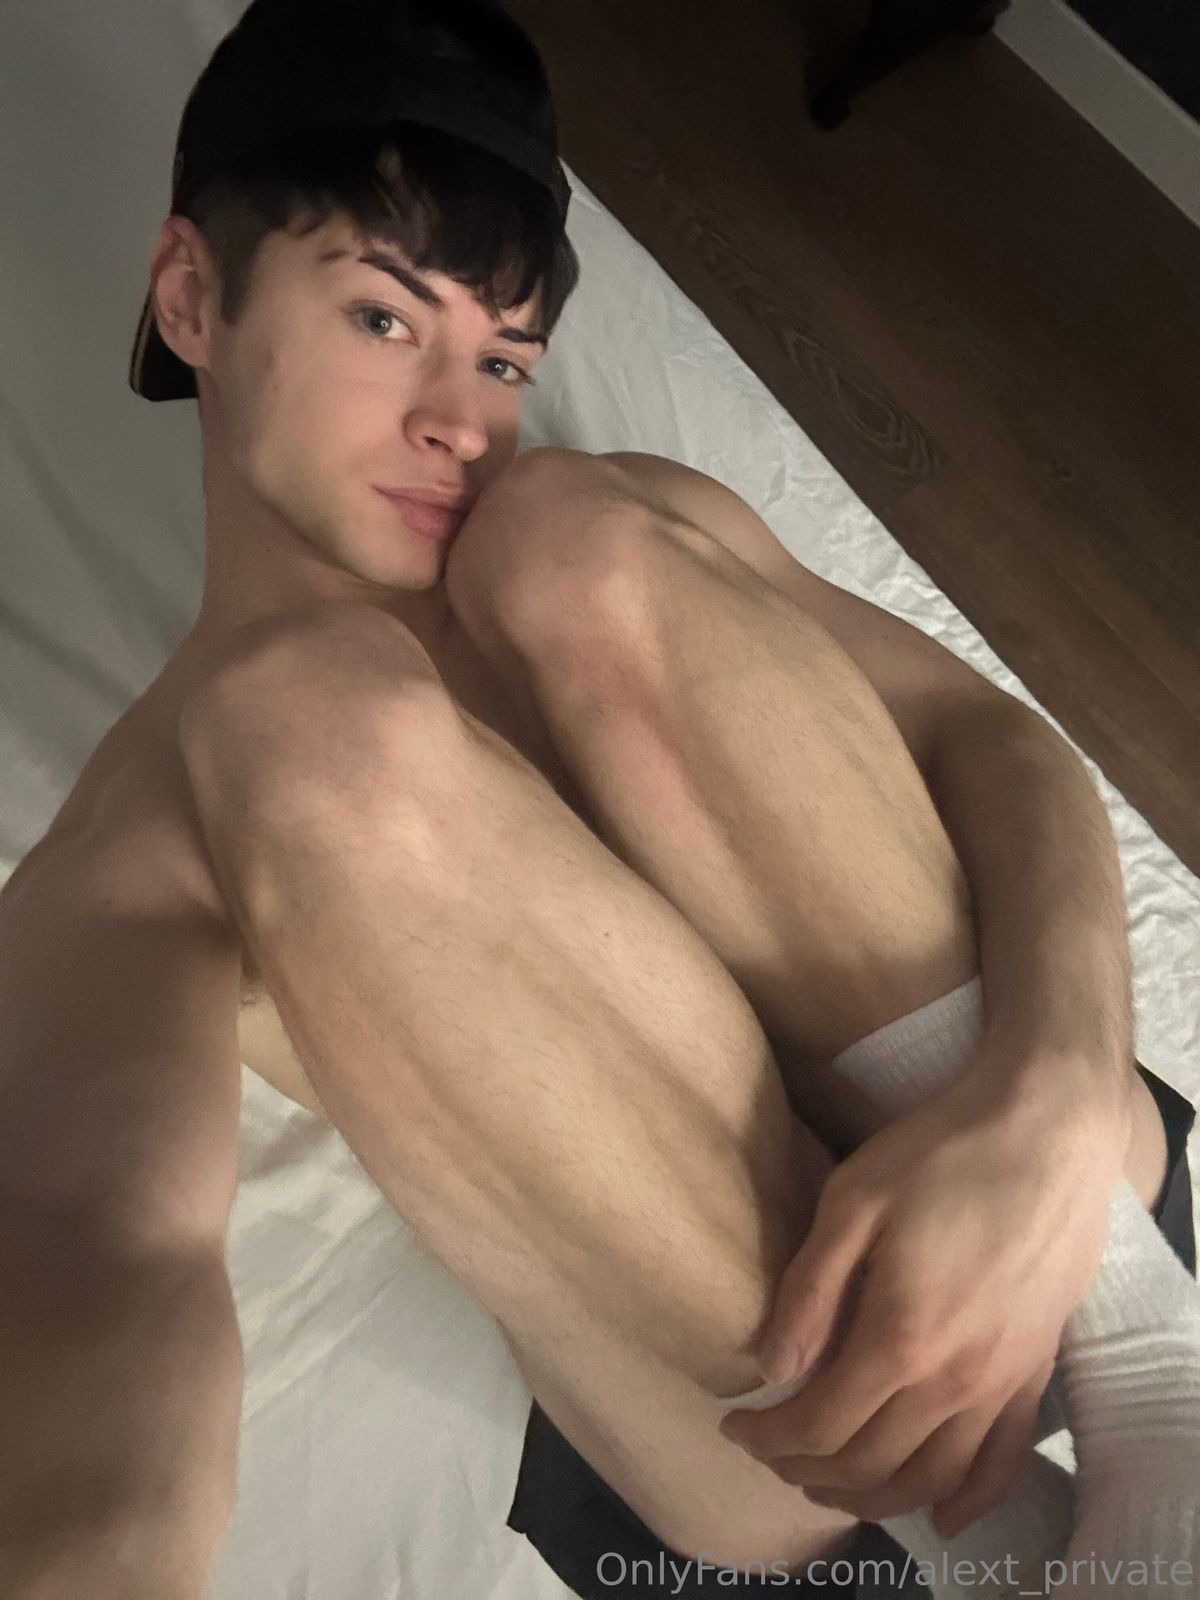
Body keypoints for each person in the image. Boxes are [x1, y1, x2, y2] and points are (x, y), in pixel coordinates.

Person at [0, 1, 1196, 1597]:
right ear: (191, 296)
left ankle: (1150, 1362)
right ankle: (1018, 1548)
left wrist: (1054, 1089)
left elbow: (990, 737)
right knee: (303, 724)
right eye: (384, 317)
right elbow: (98, 1255)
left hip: (1059, 1190)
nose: (461, 417)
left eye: (504, 356)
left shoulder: (601, 527)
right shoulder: (152, 837)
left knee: (566, 533)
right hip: (804, 1471)